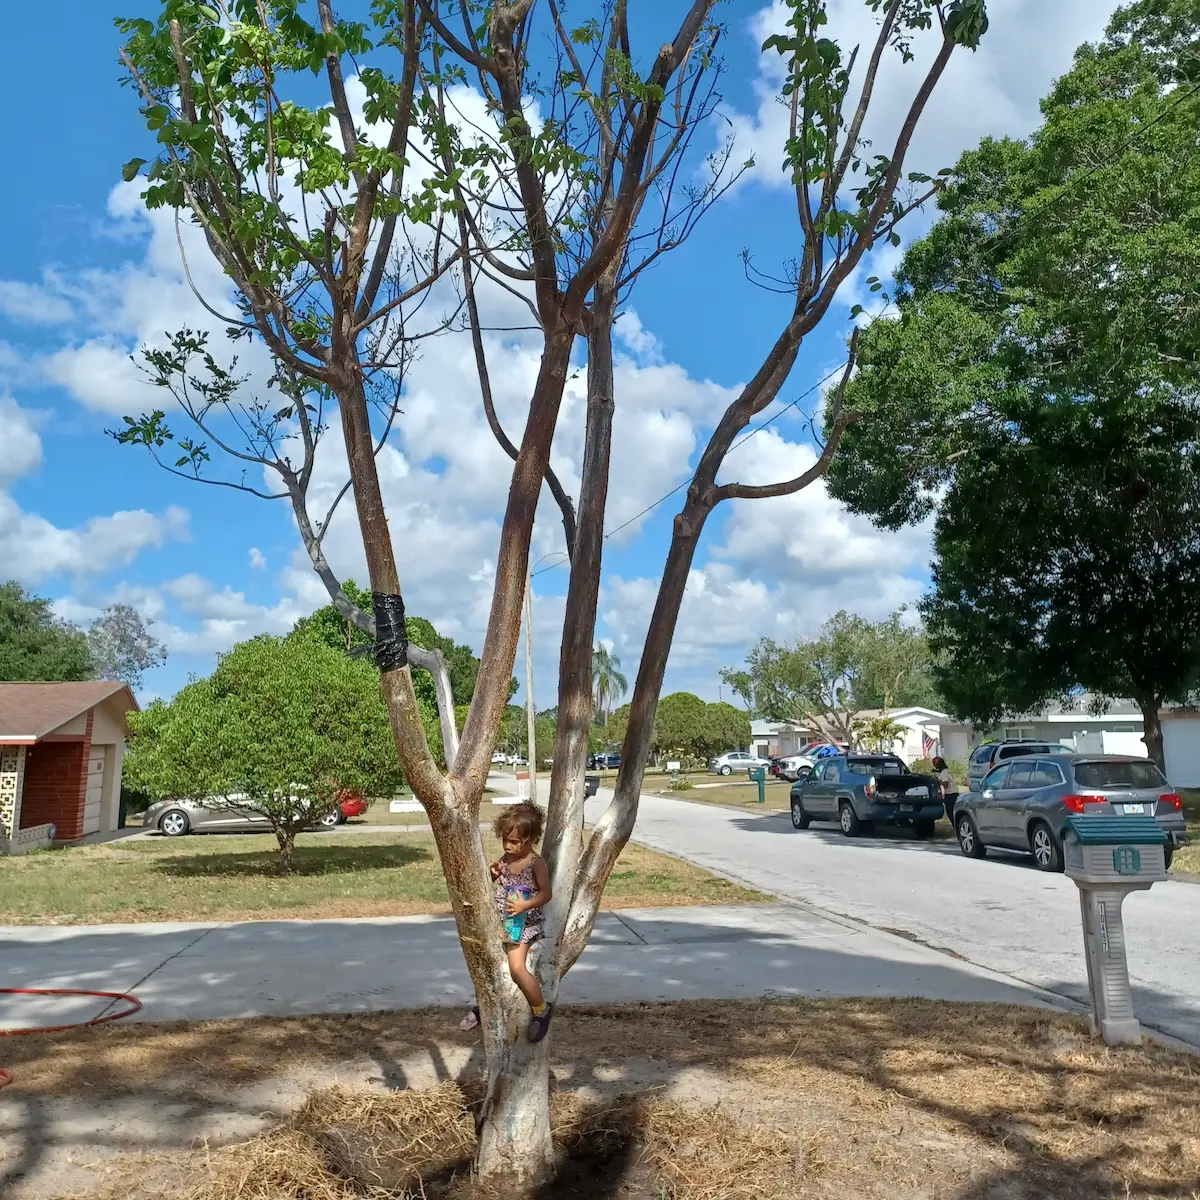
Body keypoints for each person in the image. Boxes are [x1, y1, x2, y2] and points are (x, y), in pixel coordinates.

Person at [459, 801, 555, 1043]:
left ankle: (541, 1010)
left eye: (514, 842)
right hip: (501, 920)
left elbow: (546, 893)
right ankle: (485, 1006)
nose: (508, 846)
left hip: (522, 924)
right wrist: (493, 874)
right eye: (505, 840)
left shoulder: (536, 863)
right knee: (488, 963)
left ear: (530, 838)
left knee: (516, 968)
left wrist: (525, 904)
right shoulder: (506, 858)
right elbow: (497, 882)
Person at [933, 756, 958, 824]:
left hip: (950, 795)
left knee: (950, 813)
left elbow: (946, 784)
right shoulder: (945, 771)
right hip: (953, 794)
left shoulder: (944, 772)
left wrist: (937, 781)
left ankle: (955, 826)